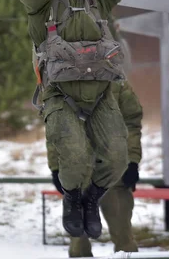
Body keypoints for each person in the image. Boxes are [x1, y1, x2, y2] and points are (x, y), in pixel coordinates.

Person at [14, 0, 136, 239]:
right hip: (60, 94)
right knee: (75, 154)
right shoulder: (42, 1)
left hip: (100, 94)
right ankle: (72, 199)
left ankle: (91, 200)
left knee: (116, 156)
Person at [48, 14, 142, 257]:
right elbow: (55, 130)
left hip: (113, 176)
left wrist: (131, 161)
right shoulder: (63, 81)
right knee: (79, 242)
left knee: (124, 235)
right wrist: (56, 167)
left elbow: (132, 122)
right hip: (80, 172)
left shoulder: (118, 85)